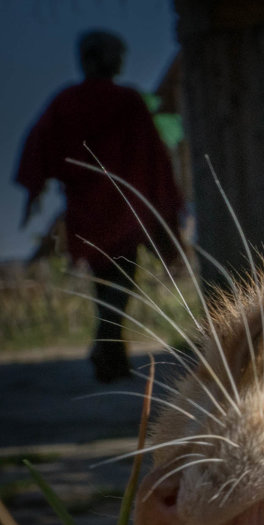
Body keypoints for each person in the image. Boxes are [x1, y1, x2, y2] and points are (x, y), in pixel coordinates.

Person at [14, 30, 182, 382]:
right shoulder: (126, 101)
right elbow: (154, 159)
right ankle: (107, 354)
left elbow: (39, 147)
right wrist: (163, 211)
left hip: (90, 217)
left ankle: (112, 357)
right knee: (118, 287)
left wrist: (35, 191)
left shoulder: (68, 102)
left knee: (107, 288)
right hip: (121, 214)